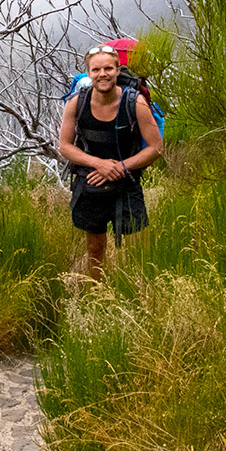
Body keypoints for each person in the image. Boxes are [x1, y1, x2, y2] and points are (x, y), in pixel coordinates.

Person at [58, 45, 164, 280]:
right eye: (96, 70)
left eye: (108, 68)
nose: (102, 74)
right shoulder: (76, 103)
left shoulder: (135, 103)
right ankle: (97, 298)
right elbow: (64, 146)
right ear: (88, 73)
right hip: (90, 184)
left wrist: (120, 167)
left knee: (138, 252)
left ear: (118, 70)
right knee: (95, 251)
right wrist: (100, 164)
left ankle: (137, 296)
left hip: (127, 183)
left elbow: (156, 147)